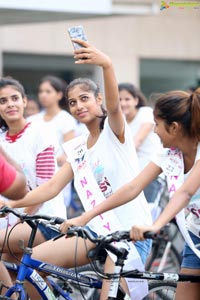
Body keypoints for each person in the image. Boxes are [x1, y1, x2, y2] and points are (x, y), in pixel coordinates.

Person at [1, 39, 152, 300]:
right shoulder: (77, 146)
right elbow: (51, 187)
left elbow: (115, 106)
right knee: (32, 266)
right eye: (72, 102)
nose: (79, 106)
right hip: (95, 231)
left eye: (85, 99)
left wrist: (106, 65)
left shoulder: (114, 132)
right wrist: (10, 201)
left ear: (99, 99)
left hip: (129, 233)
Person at [58, 89, 200, 300]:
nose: (154, 132)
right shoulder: (168, 154)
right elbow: (133, 187)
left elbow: (186, 192)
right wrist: (86, 216)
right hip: (195, 239)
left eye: (157, 125)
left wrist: (155, 225)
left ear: (174, 128)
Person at [0, 77, 66, 284]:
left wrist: (20, 218)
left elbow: (45, 187)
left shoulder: (41, 133)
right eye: (3, 101)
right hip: (11, 222)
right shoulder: (1, 139)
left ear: (24, 102)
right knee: (12, 282)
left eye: (14, 98)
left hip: (43, 219)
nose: (10, 104)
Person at [28, 75, 77, 212]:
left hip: (57, 178)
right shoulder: (32, 120)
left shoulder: (66, 119)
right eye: (41, 91)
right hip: (33, 177)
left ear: (59, 95)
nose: (43, 95)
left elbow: (69, 154)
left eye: (48, 91)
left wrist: (44, 160)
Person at [119, 83, 162, 204]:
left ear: (136, 100)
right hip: (132, 174)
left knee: (149, 209)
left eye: (127, 99)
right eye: (119, 99)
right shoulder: (120, 120)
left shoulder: (146, 112)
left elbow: (138, 140)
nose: (123, 103)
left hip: (151, 170)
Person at [0, 146, 27, 297]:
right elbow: (20, 187)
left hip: (38, 218)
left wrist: (18, 220)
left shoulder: (40, 133)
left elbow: (48, 185)